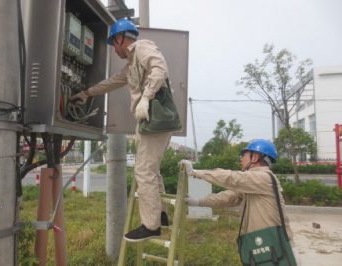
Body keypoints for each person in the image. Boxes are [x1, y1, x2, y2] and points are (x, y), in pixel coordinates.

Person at [71, 18, 171, 242]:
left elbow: (159, 68)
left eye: (113, 44)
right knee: (152, 171)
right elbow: (111, 82)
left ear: (121, 38)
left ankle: (151, 225)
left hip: (154, 119)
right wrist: (86, 93)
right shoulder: (130, 66)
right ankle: (162, 214)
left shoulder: (143, 47)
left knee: (143, 172)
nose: (113, 50)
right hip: (151, 121)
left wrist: (145, 98)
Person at [180, 139, 300, 265]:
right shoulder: (253, 183)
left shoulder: (263, 178)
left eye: (244, 155)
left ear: (254, 157)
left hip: (279, 250)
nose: (240, 159)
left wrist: (195, 172)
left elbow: (232, 178)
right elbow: (228, 197)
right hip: (268, 246)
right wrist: (198, 202)